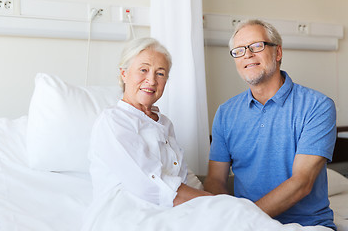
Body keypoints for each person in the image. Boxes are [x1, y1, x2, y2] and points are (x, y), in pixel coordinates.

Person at [81, 37, 332, 231]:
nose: (152, 80)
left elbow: (183, 175)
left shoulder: (163, 123)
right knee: (233, 213)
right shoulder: (114, 121)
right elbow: (150, 185)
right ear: (124, 74)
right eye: (143, 70)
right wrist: (219, 205)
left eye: (160, 73)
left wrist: (217, 205)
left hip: (172, 207)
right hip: (132, 211)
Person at [204, 19, 337, 230]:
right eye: (239, 50)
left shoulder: (317, 106)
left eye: (256, 46)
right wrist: (228, 217)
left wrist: (243, 220)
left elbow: (301, 183)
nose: (247, 54)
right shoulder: (226, 113)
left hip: (305, 225)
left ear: (278, 53)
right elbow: (215, 180)